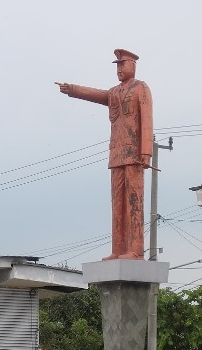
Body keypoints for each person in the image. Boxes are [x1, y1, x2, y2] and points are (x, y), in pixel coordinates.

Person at [56, 49, 153, 260]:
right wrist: (72, 89)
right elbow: (97, 95)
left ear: (132, 66)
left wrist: (146, 152)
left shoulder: (141, 88)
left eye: (122, 65)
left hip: (134, 154)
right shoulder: (114, 92)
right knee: (117, 204)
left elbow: (147, 121)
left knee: (133, 202)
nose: (119, 69)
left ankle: (135, 250)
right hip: (116, 154)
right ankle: (117, 250)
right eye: (117, 66)